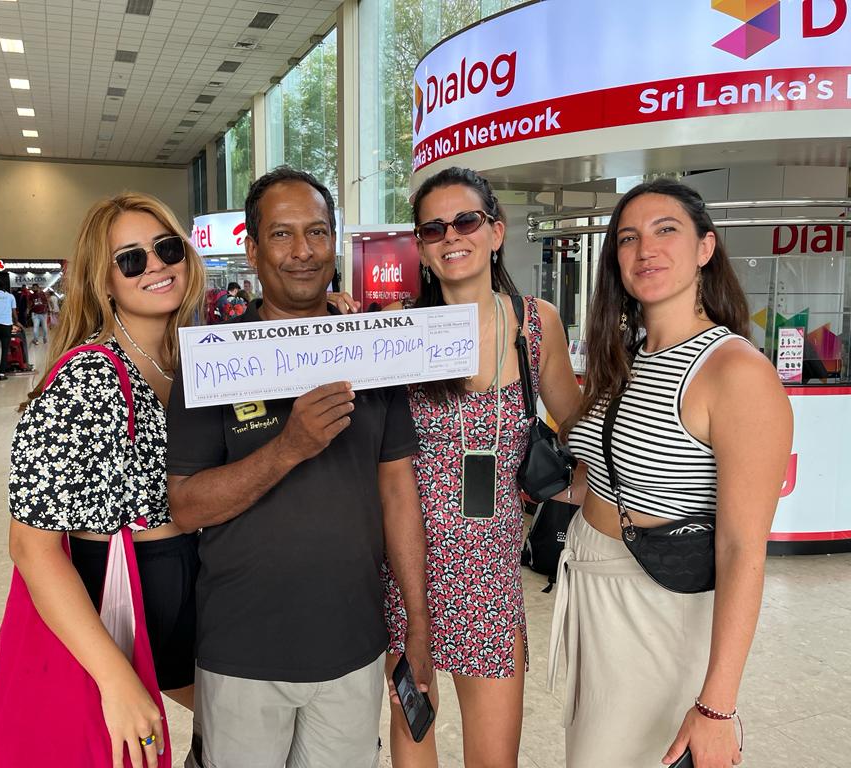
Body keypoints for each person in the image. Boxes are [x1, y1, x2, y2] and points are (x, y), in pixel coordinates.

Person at [166, 167, 432, 768]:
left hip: (351, 645)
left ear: (335, 242)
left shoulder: (371, 351)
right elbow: (184, 508)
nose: (303, 252)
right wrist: (289, 446)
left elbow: (398, 494)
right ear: (253, 248)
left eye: (317, 232)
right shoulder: (214, 361)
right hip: (241, 651)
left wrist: (416, 625)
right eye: (282, 235)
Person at [552, 178, 793, 767]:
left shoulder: (734, 371)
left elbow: (742, 549)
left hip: (658, 610)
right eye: (628, 238)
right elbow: (606, 481)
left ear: (705, 248)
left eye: (667, 231)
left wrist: (717, 706)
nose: (644, 251)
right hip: (592, 590)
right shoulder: (627, 359)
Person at [0, 192, 206, 766]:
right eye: (130, 259)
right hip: (124, 595)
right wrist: (114, 679)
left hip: (192, 582)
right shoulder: (91, 376)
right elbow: (30, 546)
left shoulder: (191, 358)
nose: (156, 266)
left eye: (165, 249)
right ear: (103, 282)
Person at [381, 167, 581, 768]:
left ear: (496, 232)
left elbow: (578, 424)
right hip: (407, 563)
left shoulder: (536, 324)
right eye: (434, 227)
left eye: (465, 221)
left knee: (495, 755)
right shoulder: (401, 329)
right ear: (420, 245)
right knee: (414, 728)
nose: (451, 236)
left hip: (491, 573)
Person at [0, 274, 17, 380]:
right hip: (6, 324)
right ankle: (2, 373)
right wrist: (16, 322)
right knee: (5, 348)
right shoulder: (10, 296)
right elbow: (14, 312)